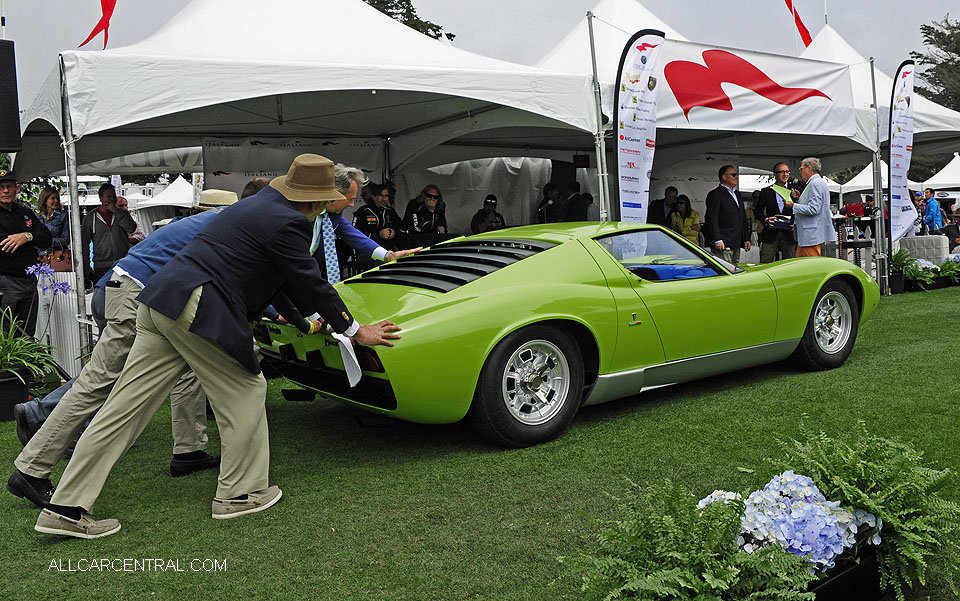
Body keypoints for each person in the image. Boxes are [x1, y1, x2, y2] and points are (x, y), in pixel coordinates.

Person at [33, 154, 402, 539]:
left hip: (160, 301)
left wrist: (302, 321)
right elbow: (310, 282)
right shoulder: (289, 221)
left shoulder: (263, 207)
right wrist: (356, 330)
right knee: (247, 389)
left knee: (123, 408)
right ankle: (240, 494)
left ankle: (65, 506)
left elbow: (282, 281)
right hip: (196, 305)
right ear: (320, 200)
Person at [6, 190, 240, 513]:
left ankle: (189, 450)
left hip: (124, 288)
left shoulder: (198, 225)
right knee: (96, 384)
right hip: (134, 294)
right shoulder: (220, 229)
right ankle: (31, 467)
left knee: (181, 366)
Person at [311, 165, 420, 283]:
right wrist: (377, 234)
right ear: (335, 195)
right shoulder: (300, 213)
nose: (352, 204)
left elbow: (352, 234)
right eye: (350, 199)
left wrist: (388, 255)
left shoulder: (333, 213)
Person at [0, 169, 53, 336]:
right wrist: (30, 244)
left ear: (17, 189)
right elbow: (4, 246)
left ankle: (24, 363)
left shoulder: (25, 212)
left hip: (29, 281)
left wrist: (27, 236)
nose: (6, 191)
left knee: (27, 333)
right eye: (1, 187)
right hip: (6, 282)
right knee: (6, 333)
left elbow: (46, 237)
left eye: (9, 186)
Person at [80, 183, 137, 283]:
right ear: (101, 198)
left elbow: (131, 228)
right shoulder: (90, 218)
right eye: (109, 196)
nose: (111, 199)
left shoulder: (123, 213)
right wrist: (86, 266)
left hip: (122, 262)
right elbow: (84, 243)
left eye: (113, 196)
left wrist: (116, 212)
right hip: (101, 264)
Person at [785, 157, 834, 257]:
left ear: (809, 168)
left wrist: (793, 205)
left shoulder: (815, 184)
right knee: (803, 264)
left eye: (801, 169)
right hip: (808, 234)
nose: (800, 172)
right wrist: (800, 198)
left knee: (812, 266)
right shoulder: (817, 183)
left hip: (811, 234)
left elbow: (814, 209)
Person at [704, 166, 751, 265]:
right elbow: (712, 219)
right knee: (725, 269)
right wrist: (717, 239)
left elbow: (742, 218)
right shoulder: (715, 194)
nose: (736, 177)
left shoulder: (737, 194)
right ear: (724, 177)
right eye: (733, 175)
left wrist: (746, 238)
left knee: (735, 268)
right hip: (723, 242)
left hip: (736, 241)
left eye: (737, 175)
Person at [352, 182, 403, 268]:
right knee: (383, 263)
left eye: (386, 196)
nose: (384, 199)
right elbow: (355, 235)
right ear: (374, 196)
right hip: (367, 252)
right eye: (381, 195)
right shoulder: (364, 211)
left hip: (388, 251)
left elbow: (403, 229)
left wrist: (394, 232)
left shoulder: (390, 211)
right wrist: (378, 234)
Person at [754, 162, 797, 263]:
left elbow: (802, 209)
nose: (785, 174)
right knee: (765, 263)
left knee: (789, 265)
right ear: (775, 174)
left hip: (789, 233)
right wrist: (766, 220)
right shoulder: (766, 191)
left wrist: (795, 223)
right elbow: (758, 212)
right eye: (781, 172)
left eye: (787, 172)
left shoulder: (795, 191)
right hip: (771, 233)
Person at [37, 187, 70, 252]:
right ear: (45, 200)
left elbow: (66, 240)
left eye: (57, 198)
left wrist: (47, 241)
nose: (56, 201)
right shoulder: (37, 217)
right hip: (40, 256)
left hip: (57, 256)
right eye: (52, 198)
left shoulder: (63, 216)